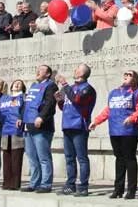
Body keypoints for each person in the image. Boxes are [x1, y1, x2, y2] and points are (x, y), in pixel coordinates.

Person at [90, 70, 138, 199]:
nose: (126, 76)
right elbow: (108, 110)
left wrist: (132, 118)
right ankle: (118, 189)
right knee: (119, 159)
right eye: (124, 74)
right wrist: (96, 121)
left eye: (129, 74)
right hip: (115, 130)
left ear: (135, 78)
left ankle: (131, 190)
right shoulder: (114, 92)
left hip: (129, 131)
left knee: (129, 159)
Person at [55, 64, 97, 196]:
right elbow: (66, 106)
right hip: (67, 125)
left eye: (77, 69)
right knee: (69, 158)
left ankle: (83, 186)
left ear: (82, 73)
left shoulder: (88, 89)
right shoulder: (71, 88)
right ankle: (70, 184)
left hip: (79, 126)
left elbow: (77, 100)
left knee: (82, 158)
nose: (74, 70)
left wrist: (64, 84)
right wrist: (59, 101)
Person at [21, 65, 58, 193]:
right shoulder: (33, 87)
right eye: (37, 68)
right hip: (28, 126)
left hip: (42, 127)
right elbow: (28, 105)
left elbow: (50, 104)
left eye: (41, 69)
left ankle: (46, 184)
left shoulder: (51, 86)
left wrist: (41, 117)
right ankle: (34, 183)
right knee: (32, 157)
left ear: (48, 74)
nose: (37, 70)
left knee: (43, 157)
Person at [0, 80, 26, 190]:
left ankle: (14, 183)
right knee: (6, 158)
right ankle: (6, 182)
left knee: (16, 158)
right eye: (15, 82)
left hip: (17, 130)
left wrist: (21, 118)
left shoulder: (23, 97)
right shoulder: (4, 99)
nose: (17, 84)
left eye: (20, 83)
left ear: (23, 87)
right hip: (5, 130)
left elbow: (25, 109)